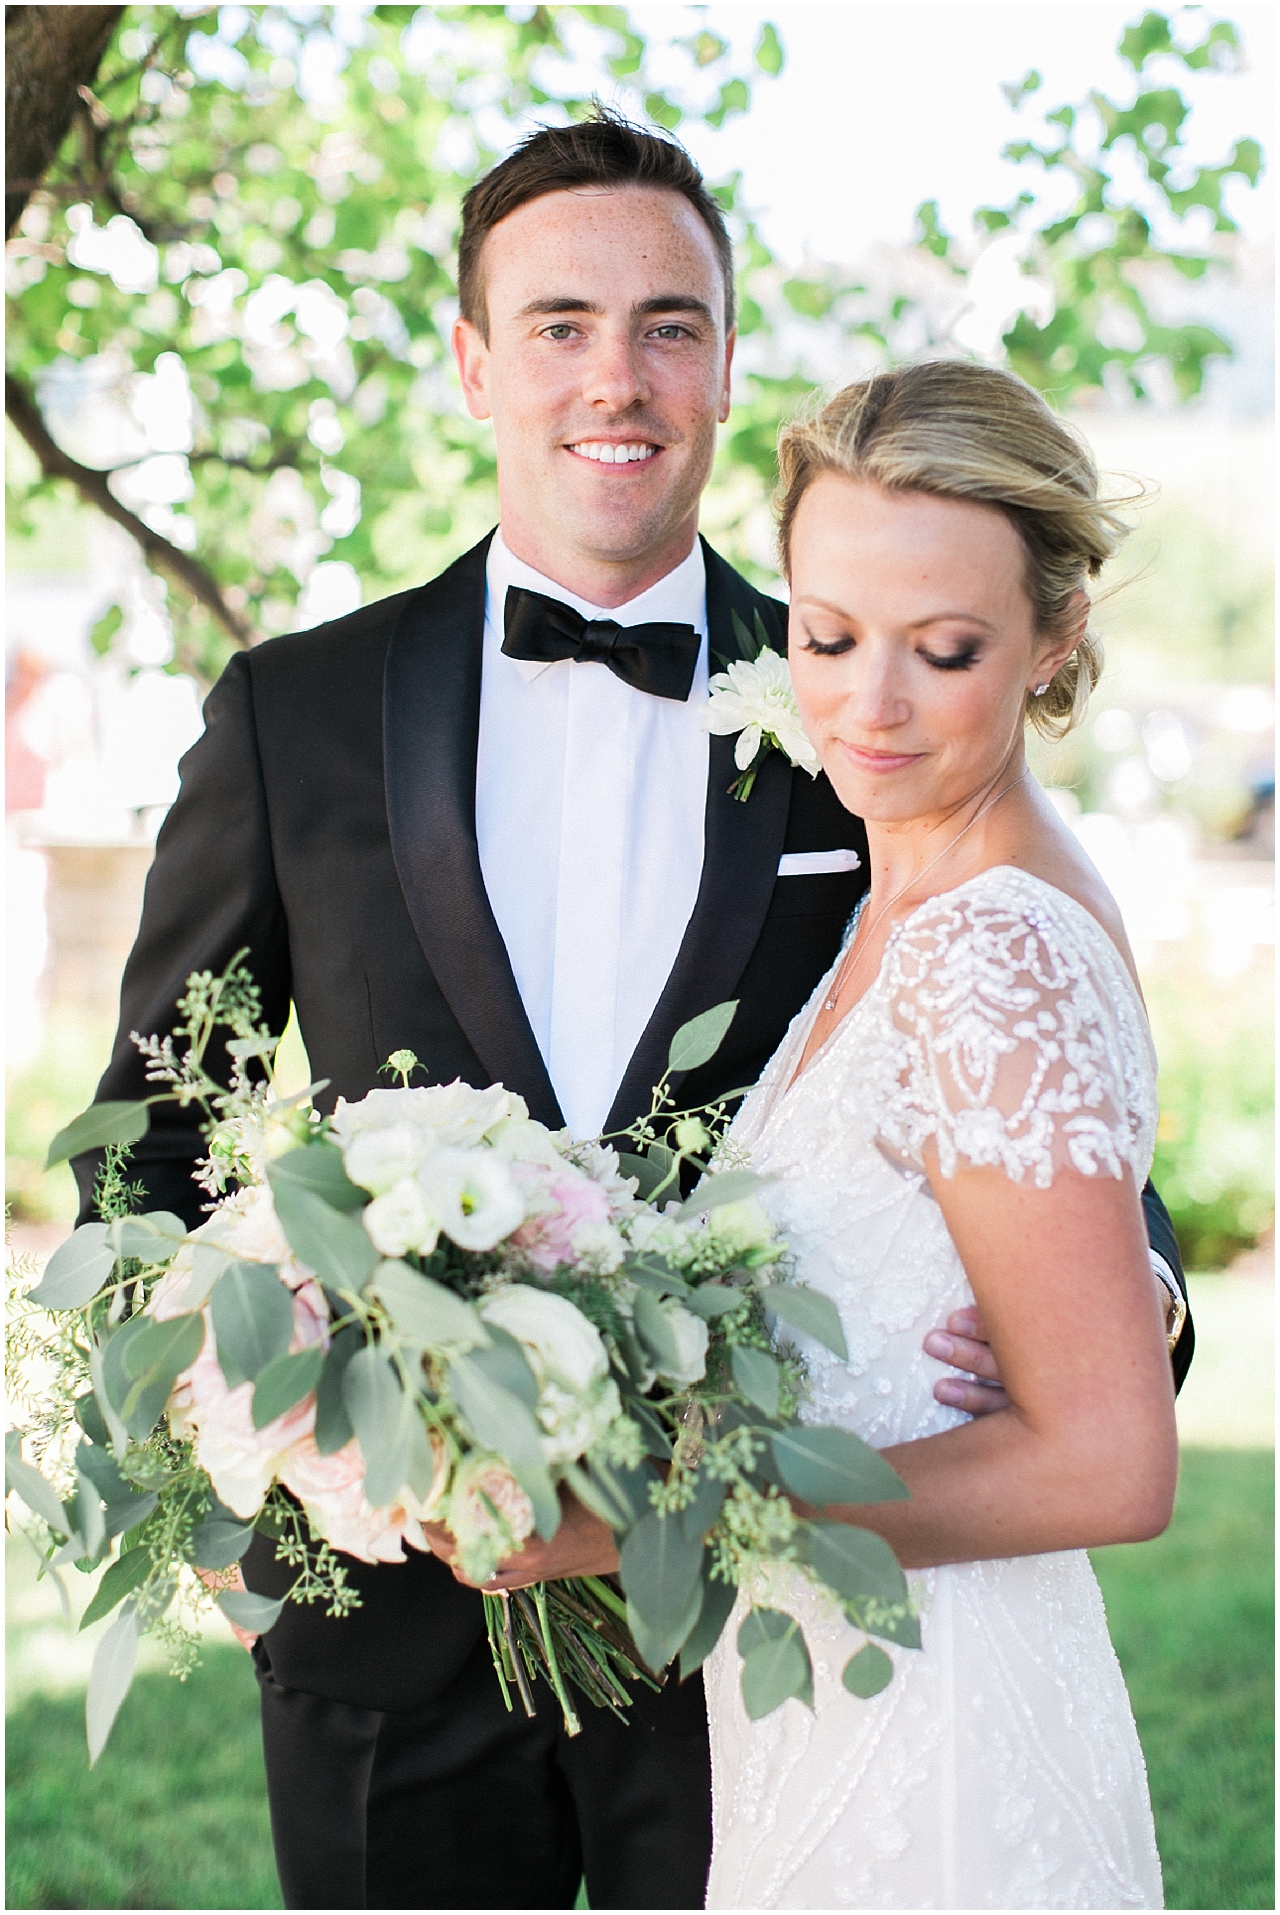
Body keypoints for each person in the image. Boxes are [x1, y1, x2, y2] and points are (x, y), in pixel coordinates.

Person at [72, 115, 1189, 1911]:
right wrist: (224, 1505)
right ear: (471, 361)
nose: (619, 374)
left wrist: (1133, 1297)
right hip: (392, 1646)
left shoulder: (856, 681)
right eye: (562, 321)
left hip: (764, 1646)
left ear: (729, 364)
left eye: (671, 323)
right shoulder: (295, 711)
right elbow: (153, 1140)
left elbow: (1033, 1069)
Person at [702, 361, 1178, 1910]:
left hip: (939, 1730)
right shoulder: (893, 896)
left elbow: (1112, 1462)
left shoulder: (989, 945)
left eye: (946, 650)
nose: (869, 705)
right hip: (830, 1695)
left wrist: (674, 1511)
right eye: (828, 637)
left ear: (1055, 640)